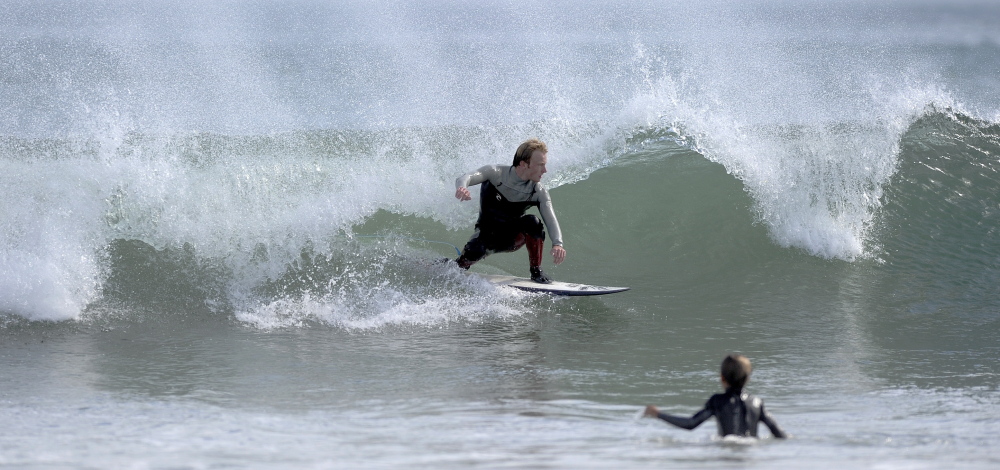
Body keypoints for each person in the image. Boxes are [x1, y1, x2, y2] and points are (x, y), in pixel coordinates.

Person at [453, 138, 566, 284]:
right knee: (475, 250)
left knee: (533, 222)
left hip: (511, 239)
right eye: (540, 165)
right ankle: (458, 266)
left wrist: (558, 244)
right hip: (485, 235)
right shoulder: (495, 173)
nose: (545, 170)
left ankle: (536, 271)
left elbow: (551, 220)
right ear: (523, 164)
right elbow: (465, 177)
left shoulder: (538, 191)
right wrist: (462, 187)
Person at [643, 354, 787, 439]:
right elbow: (779, 434)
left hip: (726, 452)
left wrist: (658, 414)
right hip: (750, 454)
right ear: (748, 378)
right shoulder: (757, 402)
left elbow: (691, 424)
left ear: (722, 378)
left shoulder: (717, 402)